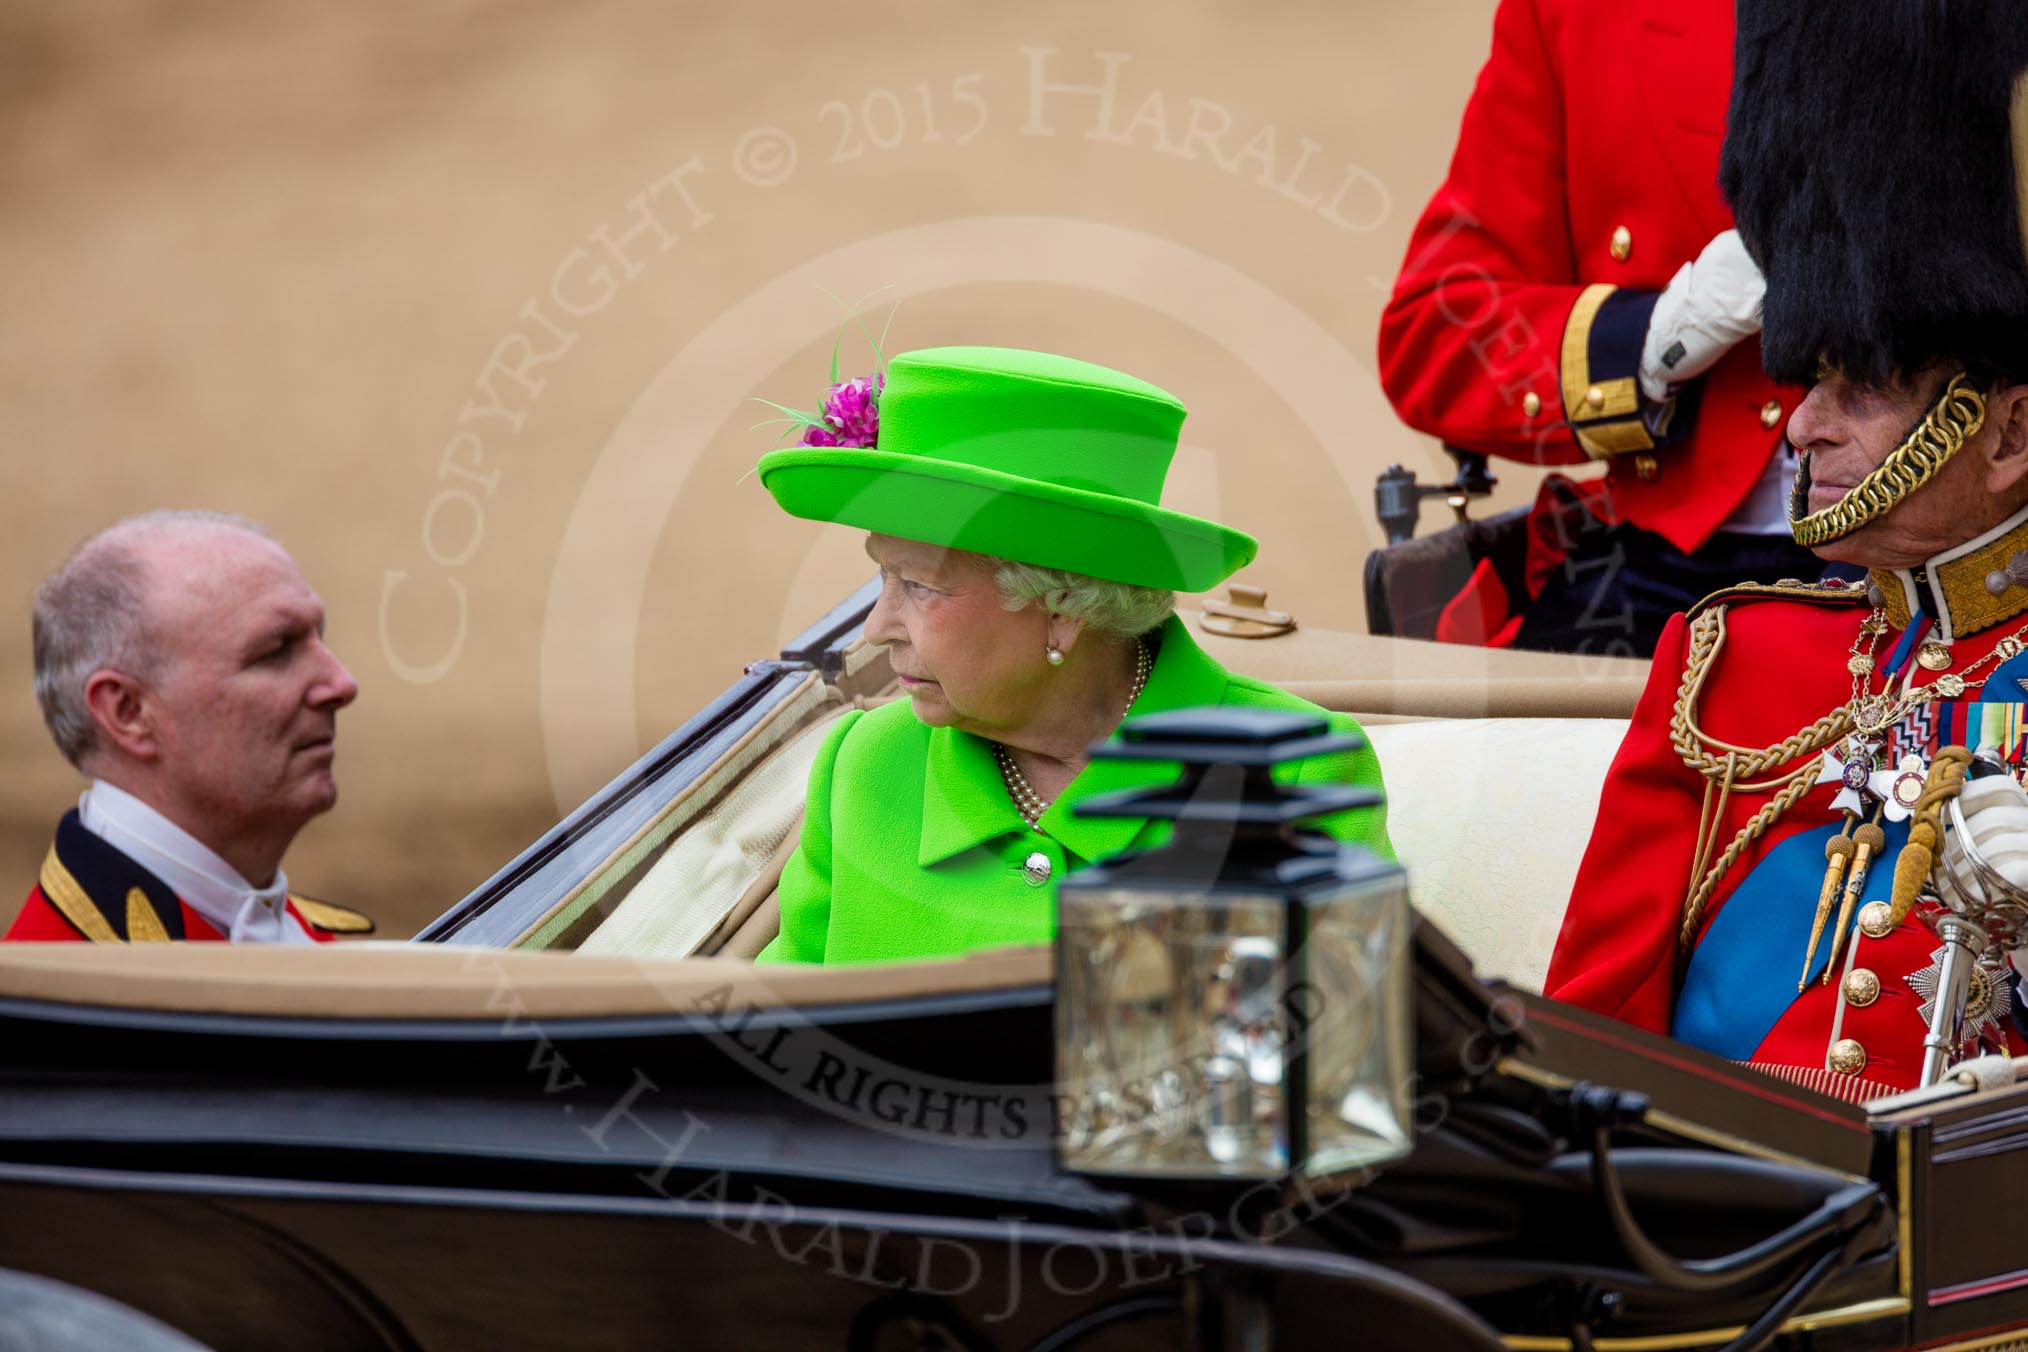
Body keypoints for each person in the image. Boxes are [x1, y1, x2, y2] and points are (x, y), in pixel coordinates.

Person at [1545, 2, 2028, 1097]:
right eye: (1807, 382)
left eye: (1857, 390)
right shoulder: (1729, 663)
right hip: (1718, 1221)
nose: (1802, 426)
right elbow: (1591, 1049)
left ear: (2007, 433)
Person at [752, 347, 1391, 964]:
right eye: (882, 579)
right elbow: (772, 1040)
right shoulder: (863, 763)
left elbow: (1341, 1044)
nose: (875, 628)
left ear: (1062, 609)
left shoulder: (1296, 775)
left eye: (918, 586)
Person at [1376, 0, 1823, 656]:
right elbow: (1434, 331)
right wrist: (1653, 338)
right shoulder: (1575, 13)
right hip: (1669, 566)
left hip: (1944, 556)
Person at [5, 511, 371, 943]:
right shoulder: (58, 998)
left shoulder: (291, 934)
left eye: (318, 639)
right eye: (275, 651)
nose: (341, 685)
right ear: (129, 713)